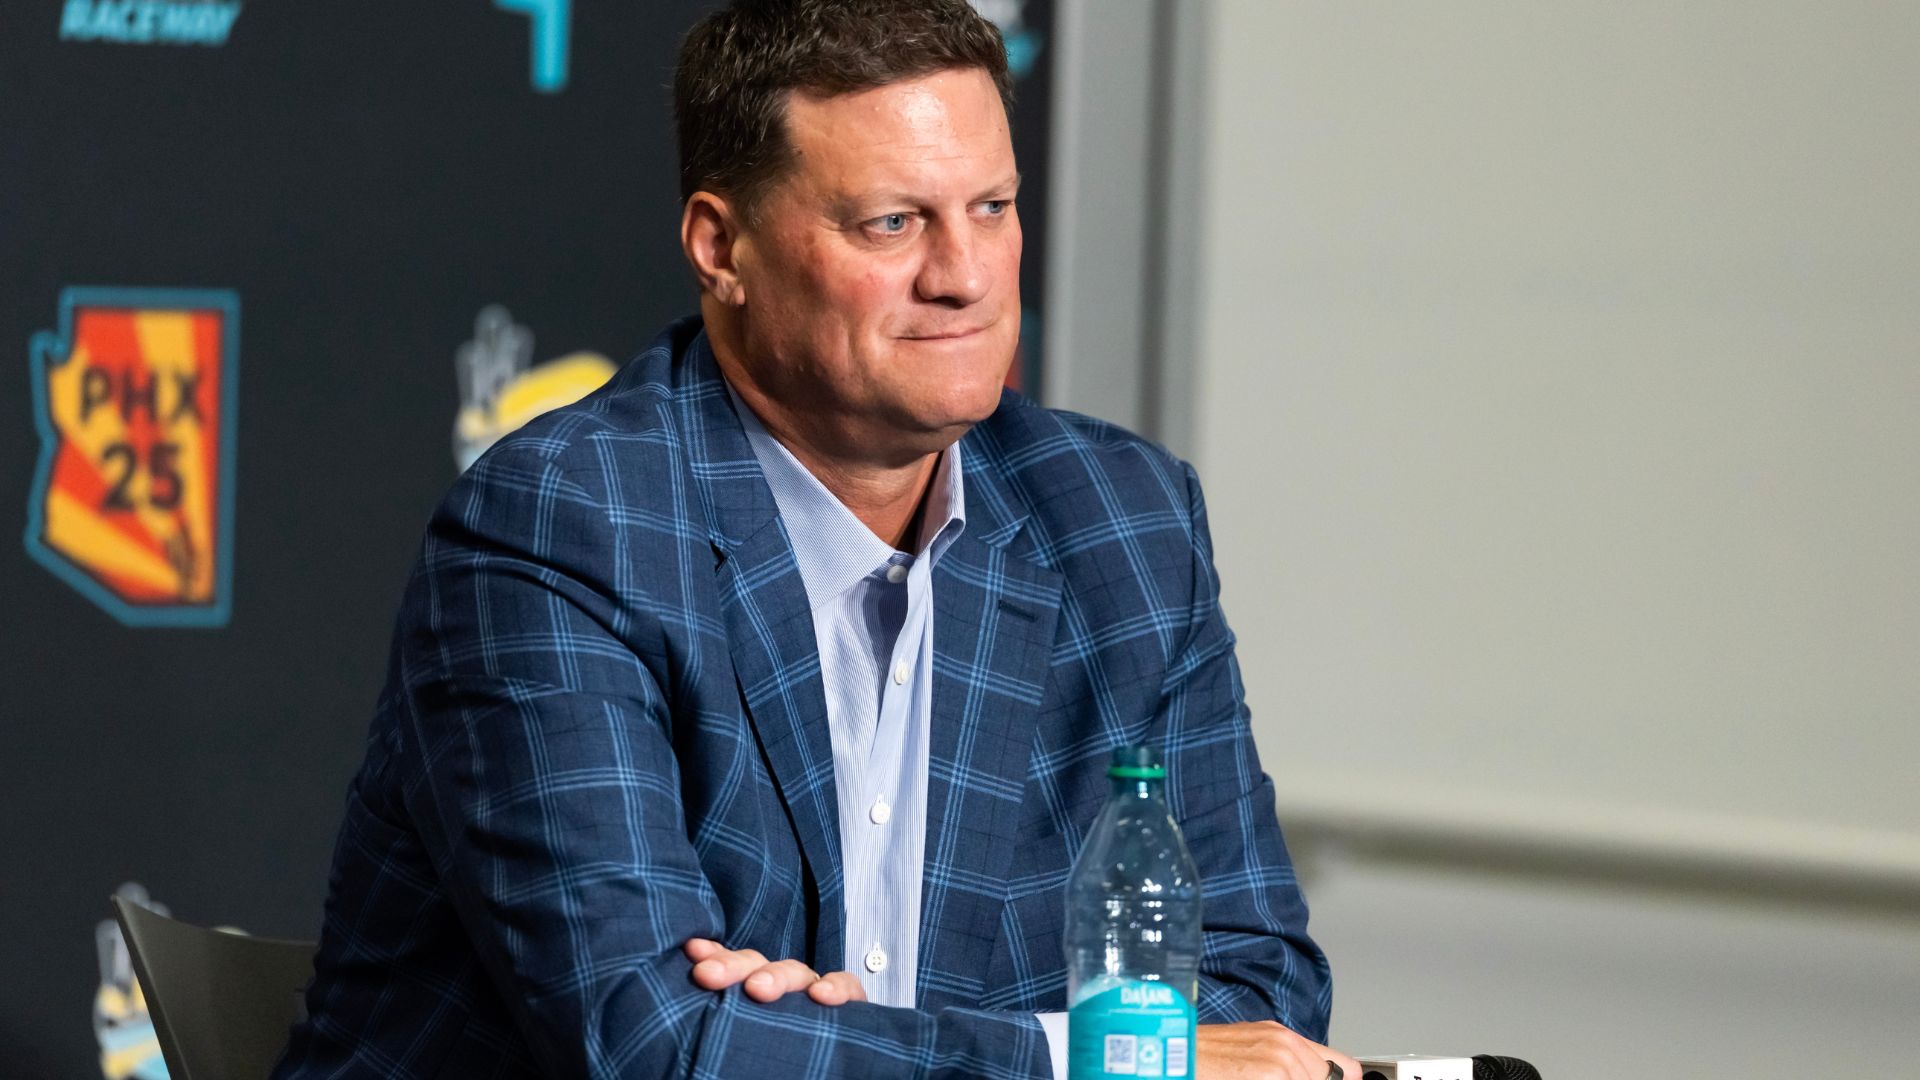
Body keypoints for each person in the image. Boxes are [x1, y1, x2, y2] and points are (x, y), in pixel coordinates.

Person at [276, 2, 1353, 1077]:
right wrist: (1072, 1058)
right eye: (893, 224)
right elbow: (652, 1045)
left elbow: (1257, 995)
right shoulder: (564, 526)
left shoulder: (1124, 520)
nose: (966, 274)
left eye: (993, 207)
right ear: (721, 246)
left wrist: (831, 1050)